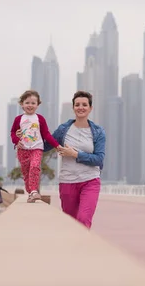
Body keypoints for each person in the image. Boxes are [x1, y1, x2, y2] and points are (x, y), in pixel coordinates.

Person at [45, 91, 105, 229]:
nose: (81, 107)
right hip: (68, 182)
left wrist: (75, 154)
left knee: (83, 220)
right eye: (77, 104)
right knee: (70, 224)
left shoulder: (98, 131)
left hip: (90, 181)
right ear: (73, 108)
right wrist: (27, 137)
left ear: (90, 108)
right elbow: (45, 146)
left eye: (84, 105)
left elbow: (99, 159)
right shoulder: (64, 130)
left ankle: (82, 250)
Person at [11, 90, 61, 203]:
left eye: (33, 103)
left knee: (34, 167)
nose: (30, 105)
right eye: (27, 102)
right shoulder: (18, 119)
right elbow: (13, 132)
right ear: (22, 104)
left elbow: (46, 134)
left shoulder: (40, 119)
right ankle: (30, 192)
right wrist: (16, 140)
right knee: (26, 173)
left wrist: (57, 145)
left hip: (36, 148)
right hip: (22, 150)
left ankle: (34, 191)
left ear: (38, 105)